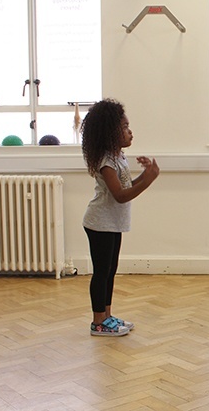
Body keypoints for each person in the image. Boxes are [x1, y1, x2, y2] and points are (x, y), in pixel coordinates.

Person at [81, 98, 160, 336]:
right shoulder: (106, 161)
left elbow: (126, 187)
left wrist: (145, 175)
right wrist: (148, 180)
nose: (130, 131)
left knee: (110, 270)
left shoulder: (119, 157)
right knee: (102, 271)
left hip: (112, 223)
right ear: (110, 132)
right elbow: (120, 196)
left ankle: (107, 316)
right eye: (125, 127)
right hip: (99, 223)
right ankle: (98, 322)